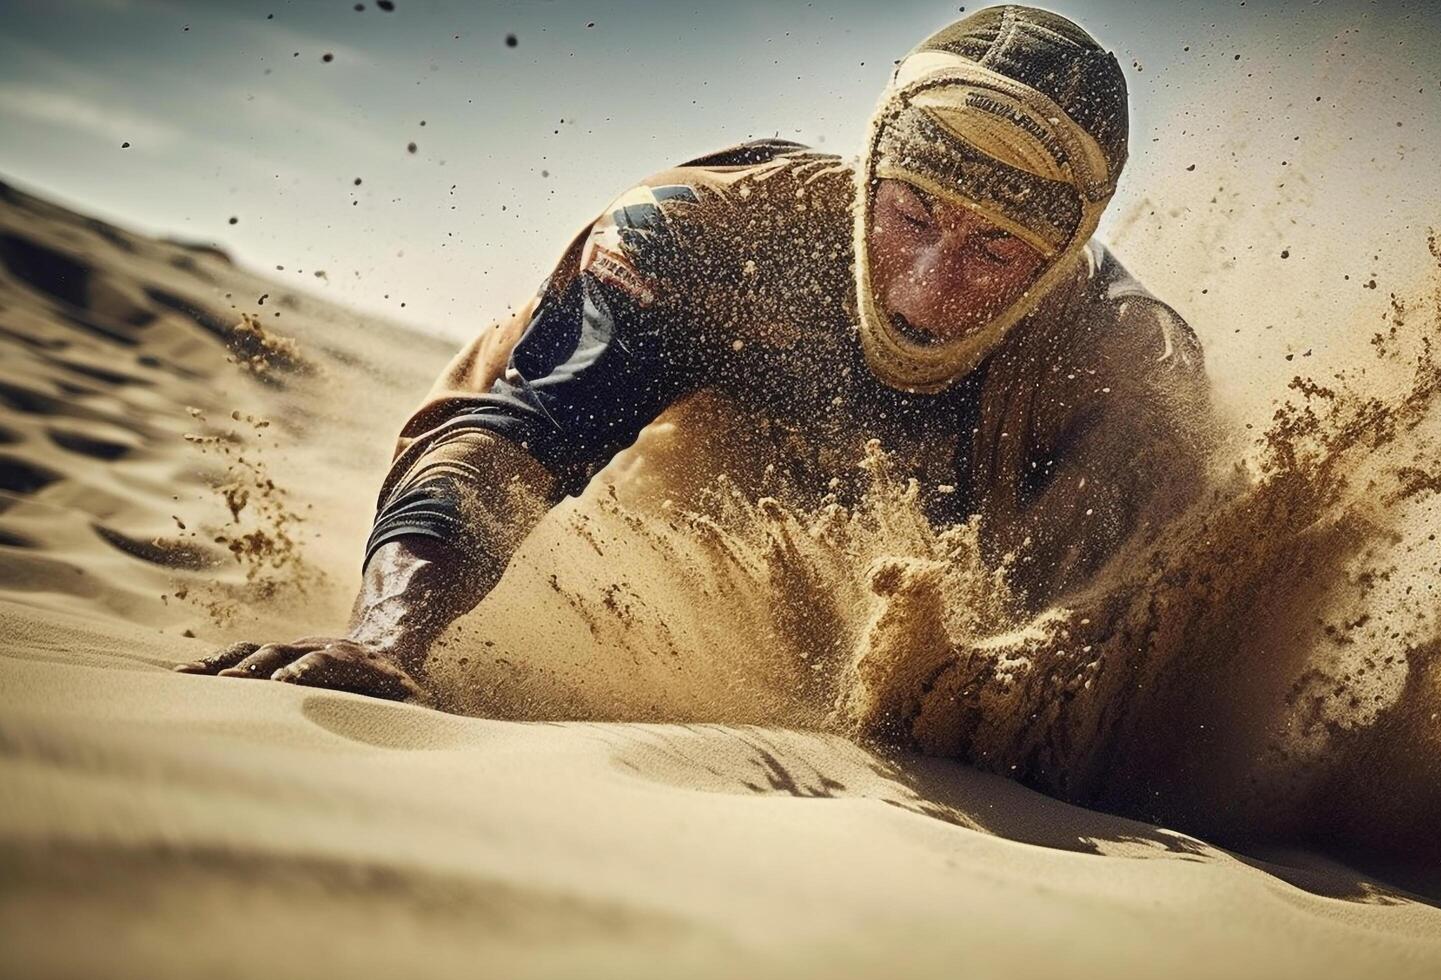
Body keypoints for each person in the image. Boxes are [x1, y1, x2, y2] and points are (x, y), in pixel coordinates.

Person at [177, 5, 1216, 702]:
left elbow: (1138, 635)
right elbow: (512, 429)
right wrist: (385, 636)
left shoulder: (1125, 364)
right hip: (694, 503)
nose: (926, 286)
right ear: (868, 177)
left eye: (995, 247)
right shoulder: (708, 229)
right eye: (910, 215)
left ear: (1061, 253)